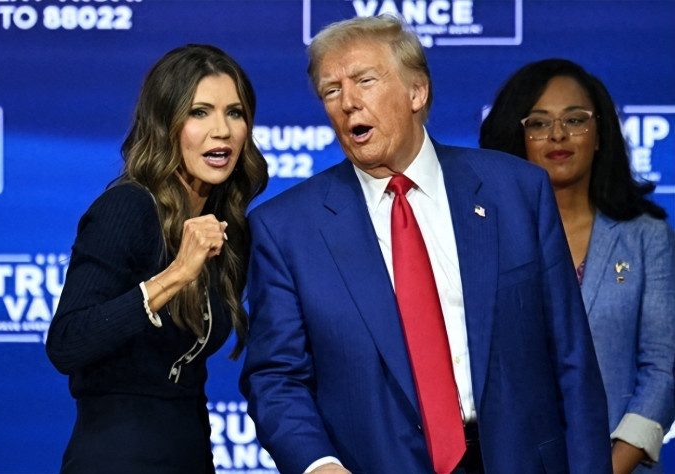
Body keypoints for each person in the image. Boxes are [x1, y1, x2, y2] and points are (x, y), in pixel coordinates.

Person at [240, 15, 612, 474]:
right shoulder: (287, 228)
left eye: (364, 81)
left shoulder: (516, 192)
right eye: (331, 91)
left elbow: (572, 359)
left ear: (416, 92)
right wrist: (319, 465)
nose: (348, 103)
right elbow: (276, 378)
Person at [46, 44, 268, 473]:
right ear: (166, 124)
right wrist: (176, 274)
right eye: (199, 113)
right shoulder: (128, 208)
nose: (222, 130)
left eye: (235, 113)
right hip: (115, 459)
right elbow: (67, 343)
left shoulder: (228, 227)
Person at [480, 58, 675, 474]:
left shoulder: (647, 237)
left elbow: (662, 369)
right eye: (538, 123)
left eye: (575, 119)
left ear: (600, 133)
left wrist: (607, 468)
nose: (558, 135)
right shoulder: (484, 238)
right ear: (518, 138)